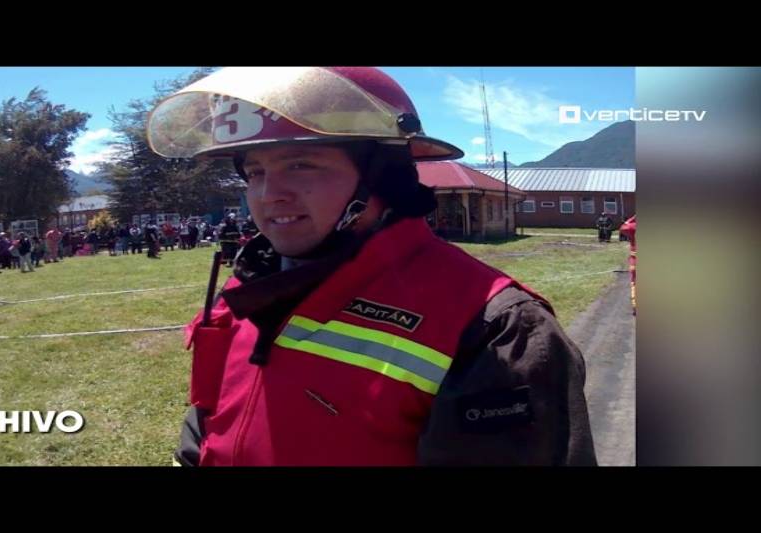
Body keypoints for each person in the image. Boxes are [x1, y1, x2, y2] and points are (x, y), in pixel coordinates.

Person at [147, 67, 596, 466]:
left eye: (301, 165)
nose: (268, 195)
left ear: (382, 178)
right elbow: (207, 432)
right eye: (255, 171)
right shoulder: (255, 286)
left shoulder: (495, 328)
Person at [619, 215, 637, 315]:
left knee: (635, 283)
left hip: (636, 261)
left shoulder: (633, 226)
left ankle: (636, 306)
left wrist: (633, 218)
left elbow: (623, 228)